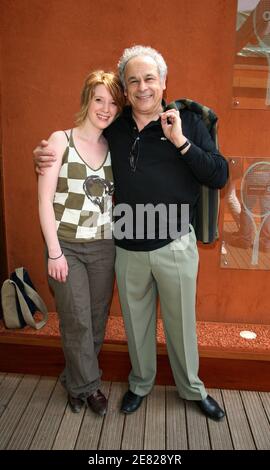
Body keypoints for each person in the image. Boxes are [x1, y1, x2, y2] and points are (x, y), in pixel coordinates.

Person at [34, 45, 229, 421]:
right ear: (126, 87)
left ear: (163, 82)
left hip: (174, 243)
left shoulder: (186, 120)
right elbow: (76, 146)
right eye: (134, 80)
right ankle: (140, 384)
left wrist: (181, 143)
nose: (142, 87)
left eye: (150, 78)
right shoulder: (116, 126)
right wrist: (42, 155)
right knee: (136, 324)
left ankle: (192, 388)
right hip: (125, 246)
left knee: (181, 325)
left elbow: (218, 174)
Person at [38, 70, 125, 415]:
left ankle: (74, 381)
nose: (104, 108)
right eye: (98, 99)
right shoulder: (61, 141)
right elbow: (44, 201)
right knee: (76, 318)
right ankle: (89, 388)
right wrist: (55, 252)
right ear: (87, 100)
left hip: (104, 245)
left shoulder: (112, 148)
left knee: (96, 317)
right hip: (66, 246)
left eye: (112, 103)